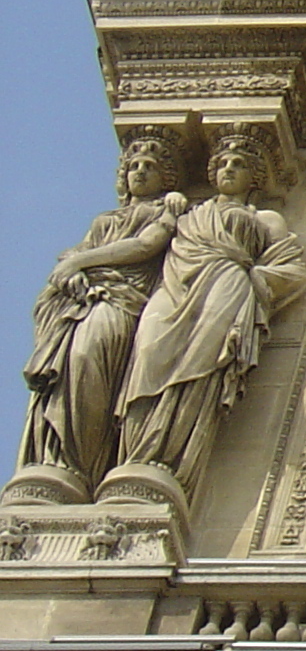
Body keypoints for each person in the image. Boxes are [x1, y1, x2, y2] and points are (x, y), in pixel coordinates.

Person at [113, 133, 306, 500]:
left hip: (226, 287)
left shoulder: (264, 218)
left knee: (199, 370)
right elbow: (142, 243)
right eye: (222, 163)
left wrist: (253, 280)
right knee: (148, 354)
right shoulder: (186, 211)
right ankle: (134, 453)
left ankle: (165, 459)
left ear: (254, 177)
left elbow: (293, 271)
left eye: (239, 164)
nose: (229, 169)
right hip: (172, 288)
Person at [15, 135, 185, 496]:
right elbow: (69, 259)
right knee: (68, 372)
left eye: (150, 168)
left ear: (166, 179)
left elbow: (145, 245)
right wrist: (72, 269)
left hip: (120, 302)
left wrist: (80, 262)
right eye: (134, 166)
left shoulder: (163, 212)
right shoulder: (104, 220)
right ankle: (65, 464)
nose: (140, 172)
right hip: (83, 302)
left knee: (86, 358)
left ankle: (84, 460)